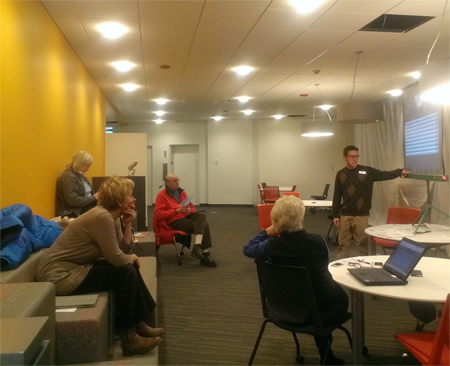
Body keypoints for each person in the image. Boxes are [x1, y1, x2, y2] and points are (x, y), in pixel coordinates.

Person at [37, 176, 163, 356]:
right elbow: (119, 259)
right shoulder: (101, 217)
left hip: (76, 268)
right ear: (119, 200)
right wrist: (132, 257)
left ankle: (140, 324)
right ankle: (130, 340)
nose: (134, 199)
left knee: (129, 267)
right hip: (59, 276)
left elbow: (123, 250)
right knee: (125, 272)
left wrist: (127, 224)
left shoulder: (112, 217)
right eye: (130, 196)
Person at [243, 195, 348, 365]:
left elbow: (248, 249)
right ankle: (326, 354)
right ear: (302, 217)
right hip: (321, 312)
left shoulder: (270, 247)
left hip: (283, 309)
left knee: (312, 295)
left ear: (275, 220)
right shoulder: (319, 243)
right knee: (325, 292)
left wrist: (267, 232)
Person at [332, 145, 408, 259]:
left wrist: (399, 171)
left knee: (362, 244)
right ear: (345, 157)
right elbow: (337, 195)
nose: (354, 159)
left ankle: (363, 266)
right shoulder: (340, 174)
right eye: (351, 156)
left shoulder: (367, 171)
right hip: (345, 214)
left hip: (361, 215)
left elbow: (384, 174)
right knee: (343, 244)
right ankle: (341, 268)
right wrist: (335, 214)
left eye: (356, 156)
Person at [154, 174, 217, 267]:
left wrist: (189, 210)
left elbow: (192, 208)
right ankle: (205, 253)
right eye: (175, 181)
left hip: (185, 217)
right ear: (168, 183)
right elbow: (158, 214)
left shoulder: (182, 193)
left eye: (178, 180)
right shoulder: (161, 195)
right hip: (174, 221)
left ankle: (197, 246)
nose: (177, 182)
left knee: (200, 216)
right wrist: (176, 211)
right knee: (204, 223)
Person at [56, 151, 97, 217]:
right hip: (74, 213)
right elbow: (73, 201)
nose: (88, 169)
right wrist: (94, 198)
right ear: (80, 163)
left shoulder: (80, 176)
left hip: (86, 208)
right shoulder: (68, 177)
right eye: (87, 166)